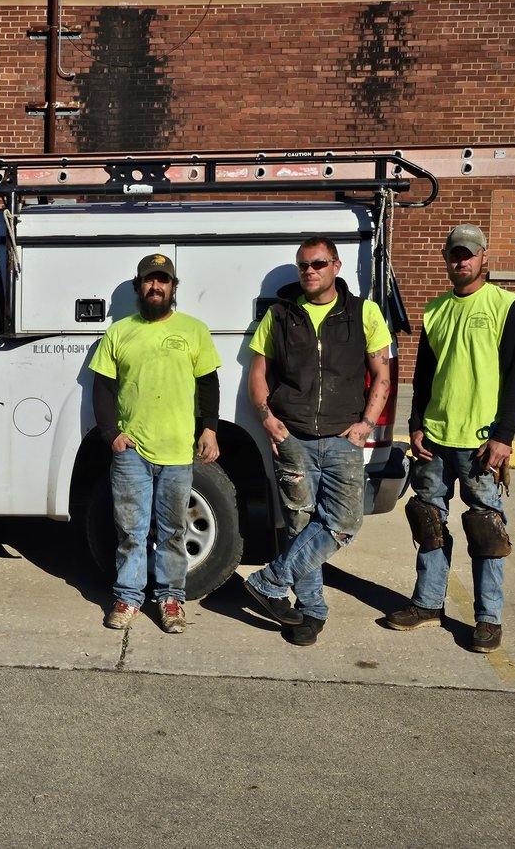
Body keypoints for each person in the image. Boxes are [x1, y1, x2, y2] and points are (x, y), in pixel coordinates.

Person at [385, 224, 515, 653]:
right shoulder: (436, 310)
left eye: (468, 254)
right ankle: (428, 604)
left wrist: (504, 436)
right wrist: (414, 424)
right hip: (435, 436)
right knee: (428, 522)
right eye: (454, 254)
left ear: (484, 257)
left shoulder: (505, 305)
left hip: (481, 441)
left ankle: (488, 617)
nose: (460, 260)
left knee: (486, 528)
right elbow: (423, 376)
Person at [244, 236, 392, 646]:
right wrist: (268, 420)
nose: (310, 271)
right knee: (299, 526)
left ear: (336, 266)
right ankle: (310, 612)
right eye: (304, 265)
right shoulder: (281, 314)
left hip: (344, 438)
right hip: (294, 438)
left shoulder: (364, 312)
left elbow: (382, 373)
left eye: (318, 264)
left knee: (344, 522)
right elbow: (258, 374)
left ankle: (270, 581)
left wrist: (367, 423)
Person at [89, 254, 221, 632]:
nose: (155, 287)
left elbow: (208, 382)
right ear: (138, 287)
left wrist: (209, 429)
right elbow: (102, 386)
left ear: (173, 287)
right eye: (149, 281)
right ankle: (128, 598)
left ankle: (171, 600)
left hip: (179, 451)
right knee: (130, 531)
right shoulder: (119, 332)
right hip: (133, 452)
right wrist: (111, 433)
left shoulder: (194, 330)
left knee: (173, 530)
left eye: (163, 281)